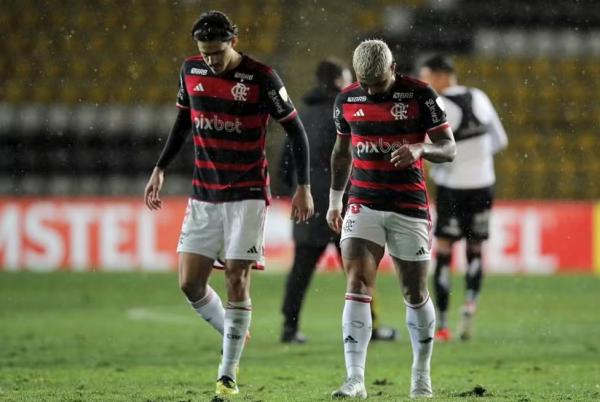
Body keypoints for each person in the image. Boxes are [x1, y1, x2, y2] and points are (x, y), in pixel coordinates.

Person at [143, 10, 314, 397]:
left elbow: (296, 131)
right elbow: (183, 122)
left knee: (237, 277)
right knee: (189, 283)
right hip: (204, 193)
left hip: (247, 194)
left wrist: (303, 186)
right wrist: (161, 167)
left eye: (217, 53)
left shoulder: (261, 77)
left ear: (233, 42)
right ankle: (235, 330)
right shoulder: (191, 72)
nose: (211, 61)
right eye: (205, 53)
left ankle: (227, 373)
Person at [327, 39, 456, 399]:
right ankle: (355, 379)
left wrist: (421, 148)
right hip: (363, 201)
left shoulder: (421, 95)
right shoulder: (347, 100)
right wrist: (335, 200)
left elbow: (449, 148)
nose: (371, 92)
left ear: (393, 68)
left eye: (378, 84)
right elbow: (341, 153)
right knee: (356, 282)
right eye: (365, 85)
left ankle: (420, 374)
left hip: (408, 205)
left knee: (414, 292)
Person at [279, 58, 397, 344]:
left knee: (301, 269)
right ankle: (372, 326)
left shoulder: (300, 116)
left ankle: (289, 328)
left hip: (308, 202)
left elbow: (283, 165)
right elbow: (358, 156)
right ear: (337, 81)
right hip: (343, 200)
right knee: (359, 267)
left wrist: (298, 188)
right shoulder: (349, 111)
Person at [418, 54, 508, 342]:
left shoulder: (438, 104)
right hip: (484, 183)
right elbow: (500, 140)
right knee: (476, 247)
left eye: (426, 76)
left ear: (442, 76)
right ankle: (470, 304)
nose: (424, 82)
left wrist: (452, 164)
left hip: (453, 186)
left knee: (444, 250)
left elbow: (431, 148)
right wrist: (478, 158)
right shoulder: (479, 96)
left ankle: (442, 324)